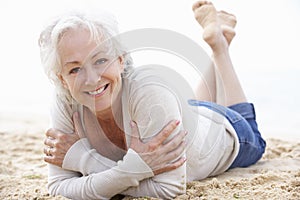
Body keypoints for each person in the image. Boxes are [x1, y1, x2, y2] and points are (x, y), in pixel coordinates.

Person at [40, 1, 266, 199]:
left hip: (228, 132)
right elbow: (59, 186)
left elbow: (168, 189)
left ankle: (220, 47)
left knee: (254, 135)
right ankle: (218, 43)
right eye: (75, 69)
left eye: (100, 61)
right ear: (62, 78)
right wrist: (132, 171)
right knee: (191, 110)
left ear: (120, 59)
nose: (91, 79)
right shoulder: (65, 99)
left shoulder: (149, 90)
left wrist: (81, 158)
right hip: (182, 114)